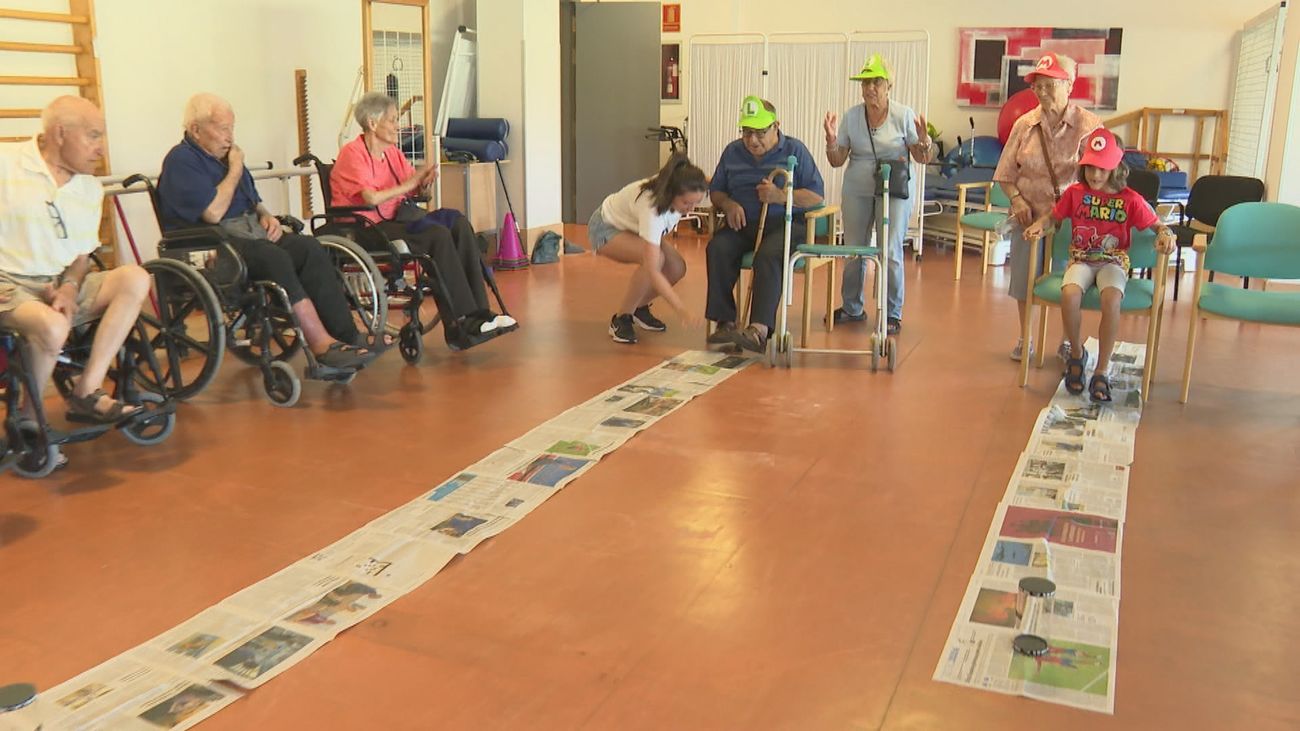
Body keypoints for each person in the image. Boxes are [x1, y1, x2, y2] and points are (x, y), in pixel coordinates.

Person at [157, 93, 378, 373]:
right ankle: (321, 344)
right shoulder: (181, 161)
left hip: (247, 234)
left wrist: (266, 215)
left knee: (308, 248)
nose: (230, 136)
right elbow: (212, 213)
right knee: (273, 257)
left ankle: (347, 336)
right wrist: (235, 168)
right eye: (223, 128)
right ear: (196, 129)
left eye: (232, 128)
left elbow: (252, 199)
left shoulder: (224, 156)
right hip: (208, 244)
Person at [0, 96, 152, 447]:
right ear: (60, 133)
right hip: (8, 285)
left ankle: (87, 390)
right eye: (93, 136)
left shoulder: (89, 187)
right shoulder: (7, 163)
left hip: (56, 284)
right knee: (53, 326)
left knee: (136, 277)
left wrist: (69, 287)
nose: (101, 148)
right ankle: (28, 418)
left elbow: (81, 256)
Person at [330, 91, 514, 345]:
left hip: (396, 220)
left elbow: (415, 190)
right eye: (393, 120)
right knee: (437, 236)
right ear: (372, 123)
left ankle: (480, 314)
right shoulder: (353, 154)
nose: (398, 126)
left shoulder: (392, 153)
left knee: (458, 223)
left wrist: (424, 183)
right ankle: (460, 322)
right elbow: (371, 198)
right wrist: (411, 183)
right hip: (366, 227)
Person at [1024, 128, 1174, 402]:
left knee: (1111, 299)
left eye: (1102, 169)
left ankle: (1102, 370)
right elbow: (1053, 217)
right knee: (1069, 294)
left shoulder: (1130, 199)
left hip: (1113, 261)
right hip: (1081, 259)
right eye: (1090, 167)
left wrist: (1165, 234)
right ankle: (1077, 355)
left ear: (1116, 168)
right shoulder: (1075, 193)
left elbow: (1157, 225)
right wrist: (1040, 224)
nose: (1095, 175)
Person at [993, 53, 1102, 362]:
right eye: (1037, 86)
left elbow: (1098, 178)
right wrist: (1017, 199)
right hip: (1029, 215)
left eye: (1049, 85)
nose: (1041, 92)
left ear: (1069, 85)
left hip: (1071, 221)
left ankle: (1068, 340)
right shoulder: (1024, 124)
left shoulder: (1089, 126)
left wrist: (1071, 208)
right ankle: (1025, 337)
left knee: (1071, 282)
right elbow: (1005, 174)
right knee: (1024, 280)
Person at [823, 54, 934, 334]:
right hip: (857, 187)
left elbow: (922, 158)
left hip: (892, 187)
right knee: (854, 248)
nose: (870, 87)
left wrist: (924, 141)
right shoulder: (852, 116)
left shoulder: (903, 115)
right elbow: (837, 160)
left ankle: (892, 313)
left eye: (876, 82)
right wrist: (831, 141)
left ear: (889, 85)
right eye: (865, 82)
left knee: (891, 249)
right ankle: (852, 307)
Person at [705, 96, 824, 352]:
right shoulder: (732, 152)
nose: (752, 140)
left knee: (768, 255)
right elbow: (716, 190)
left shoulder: (795, 150)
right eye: (747, 132)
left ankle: (758, 330)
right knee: (718, 248)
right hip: (743, 223)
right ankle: (725, 322)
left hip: (785, 225)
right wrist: (728, 204)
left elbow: (816, 196)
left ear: (776, 126)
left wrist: (781, 196)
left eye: (760, 133)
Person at [588, 153, 708, 344]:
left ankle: (639, 307)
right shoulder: (653, 210)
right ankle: (622, 318)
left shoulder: (679, 181)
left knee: (677, 267)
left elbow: (706, 181)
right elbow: (653, 270)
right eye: (686, 203)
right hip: (606, 228)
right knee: (655, 260)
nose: (691, 209)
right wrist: (681, 309)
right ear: (671, 193)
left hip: (634, 226)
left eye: (696, 203)